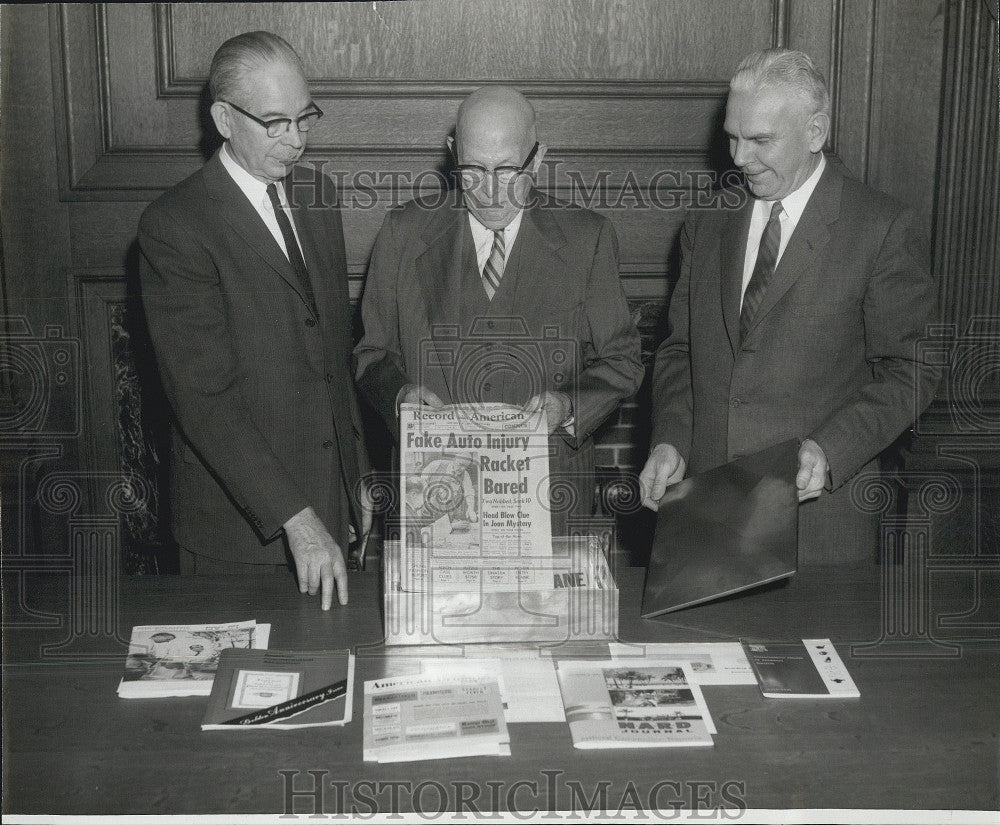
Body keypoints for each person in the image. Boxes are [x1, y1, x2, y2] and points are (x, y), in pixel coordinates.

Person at [639, 49, 939, 563]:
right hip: (706, 515)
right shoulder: (706, 223)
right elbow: (679, 353)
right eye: (733, 136)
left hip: (818, 526)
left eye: (760, 140)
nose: (738, 158)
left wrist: (830, 450)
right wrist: (671, 441)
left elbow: (912, 369)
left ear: (816, 132)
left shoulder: (881, 228)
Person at [139, 31, 368, 608]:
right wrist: (298, 520)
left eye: (304, 117)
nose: (296, 141)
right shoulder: (176, 225)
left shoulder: (318, 195)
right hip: (240, 530)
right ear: (223, 118)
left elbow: (332, 358)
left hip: (332, 509)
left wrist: (357, 475)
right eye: (274, 122)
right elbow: (204, 400)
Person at [354, 86, 643, 531]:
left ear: (538, 158)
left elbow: (621, 362)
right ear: (453, 155)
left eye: (508, 170)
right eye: (473, 169)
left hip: (551, 500)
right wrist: (399, 397)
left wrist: (567, 407)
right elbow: (373, 355)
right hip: (436, 502)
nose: (489, 191)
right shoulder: (403, 232)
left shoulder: (589, 238)